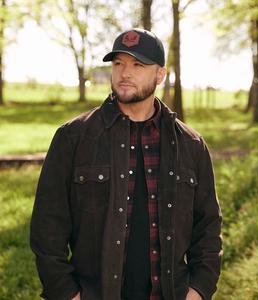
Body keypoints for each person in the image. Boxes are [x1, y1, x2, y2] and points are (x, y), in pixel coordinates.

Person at [30, 28, 222, 300]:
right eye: (118, 63)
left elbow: (208, 228)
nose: (124, 72)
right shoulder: (73, 138)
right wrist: (66, 294)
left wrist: (198, 291)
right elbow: (47, 226)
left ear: (160, 74)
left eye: (138, 65)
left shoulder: (190, 144)